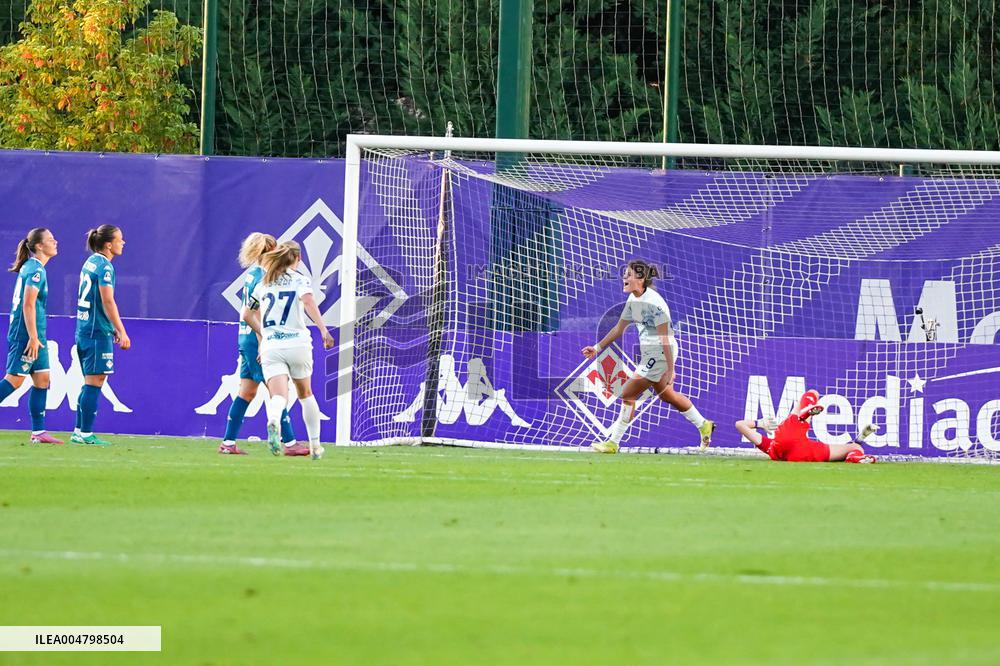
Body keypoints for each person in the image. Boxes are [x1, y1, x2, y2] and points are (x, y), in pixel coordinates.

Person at [582, 259, 714, 454]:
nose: (624, 278)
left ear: (641, 279)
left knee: (627, 393)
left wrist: (670, 369)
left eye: (628, 275)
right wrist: (597, 347)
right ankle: (704, 424)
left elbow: (666, 338)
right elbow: (619, 328)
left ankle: (613, 443)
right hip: (651, 353)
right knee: (668, 395)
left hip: (661, 352)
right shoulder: (633, 299)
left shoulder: (654, 303)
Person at [245, 241, 335, 459]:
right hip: (297, 344)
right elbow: (308, 301)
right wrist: (323, 329)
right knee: (305, 394)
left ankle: (274, 420)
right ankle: (315, 446)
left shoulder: (264, 283)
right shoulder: (299, 280)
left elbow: (247, 315)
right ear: (298, 259)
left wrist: (265, 336)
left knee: (278, 396)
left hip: (271, 346)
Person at [217, 233, 301, 455]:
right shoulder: (263, 278)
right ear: (271, 251)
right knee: (278, 391)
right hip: (257, 340)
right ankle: (290, 443)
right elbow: (255, 314)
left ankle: (228, 443)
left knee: (246, 392)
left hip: (245, 338)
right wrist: (265, 342)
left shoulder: (251, 274)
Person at [0, 228, 61, 443]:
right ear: (38, 246)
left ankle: (38, 432)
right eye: (50, 240)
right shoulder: (35, 270)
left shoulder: (33, 267)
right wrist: (33, 337)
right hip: (26, 334)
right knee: (14, 381)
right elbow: (28, 304)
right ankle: (38, 432)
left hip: (36, 334)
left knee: (42, 379)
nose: (55, 242)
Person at [71, 225, 130, 446]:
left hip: (85, 328)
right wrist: (121, 330)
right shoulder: (105, 266)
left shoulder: (90, 262)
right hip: (96, 332)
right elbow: (107, 300)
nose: (123, 243)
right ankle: (85, 433)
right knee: (96, 381)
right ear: (108, 244)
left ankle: (79, 431)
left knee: (91, 381)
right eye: (120, 239)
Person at [735, 389, 877, 463]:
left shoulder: (769, 446)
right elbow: (740, 425)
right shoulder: (770, 445)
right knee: (856, 448)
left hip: (790, 448)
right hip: (804, 450)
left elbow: (739, 424)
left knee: (854, 446)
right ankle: (853, 456)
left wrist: (759, 424)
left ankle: (805, 413)